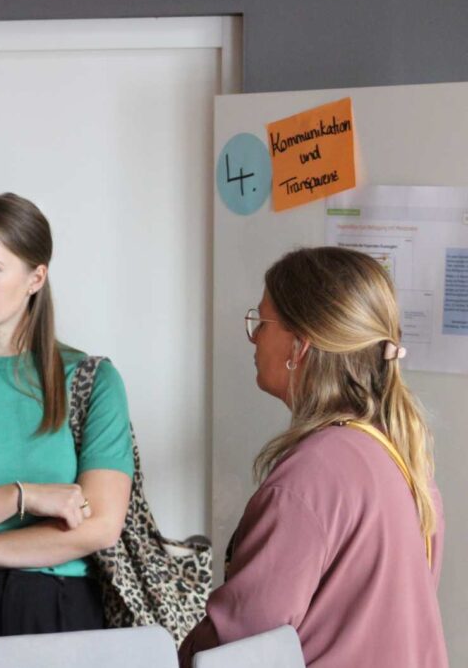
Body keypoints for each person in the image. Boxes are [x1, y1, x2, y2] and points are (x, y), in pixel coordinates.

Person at [179, 247, 447, 668]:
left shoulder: (311, 475)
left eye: (262, 323)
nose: (253, 338)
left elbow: (239, 642)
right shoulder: (403, 454)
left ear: (299, 347)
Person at [0, 193, 134, 636]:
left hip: (59, 612)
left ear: (36, 277)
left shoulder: (91, 381)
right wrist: (26, 496)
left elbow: (100, 526)